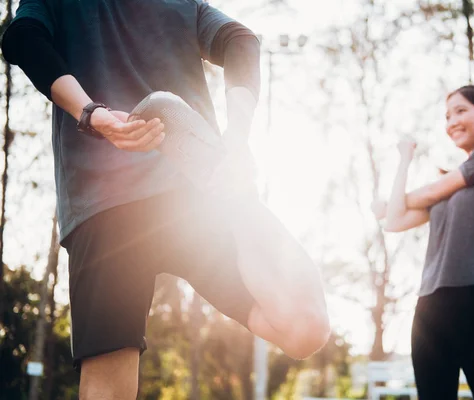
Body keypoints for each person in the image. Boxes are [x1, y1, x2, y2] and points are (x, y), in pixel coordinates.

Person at [2, 0, 330, 398]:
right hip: (110, 204)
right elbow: (23, 37)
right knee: (110, 387)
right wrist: (91, 112)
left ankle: (237, 194)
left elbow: (241, 39)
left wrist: (237, 142)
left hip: (197, 199)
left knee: (305, 325)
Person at [372, 85, 474, 399]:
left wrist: (393, 202)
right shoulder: (448, 186)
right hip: (429, 307)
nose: (452, 121)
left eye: (461, 110)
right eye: (448, 115)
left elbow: (412, 200)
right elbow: (395, 221)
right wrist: (404, 160)